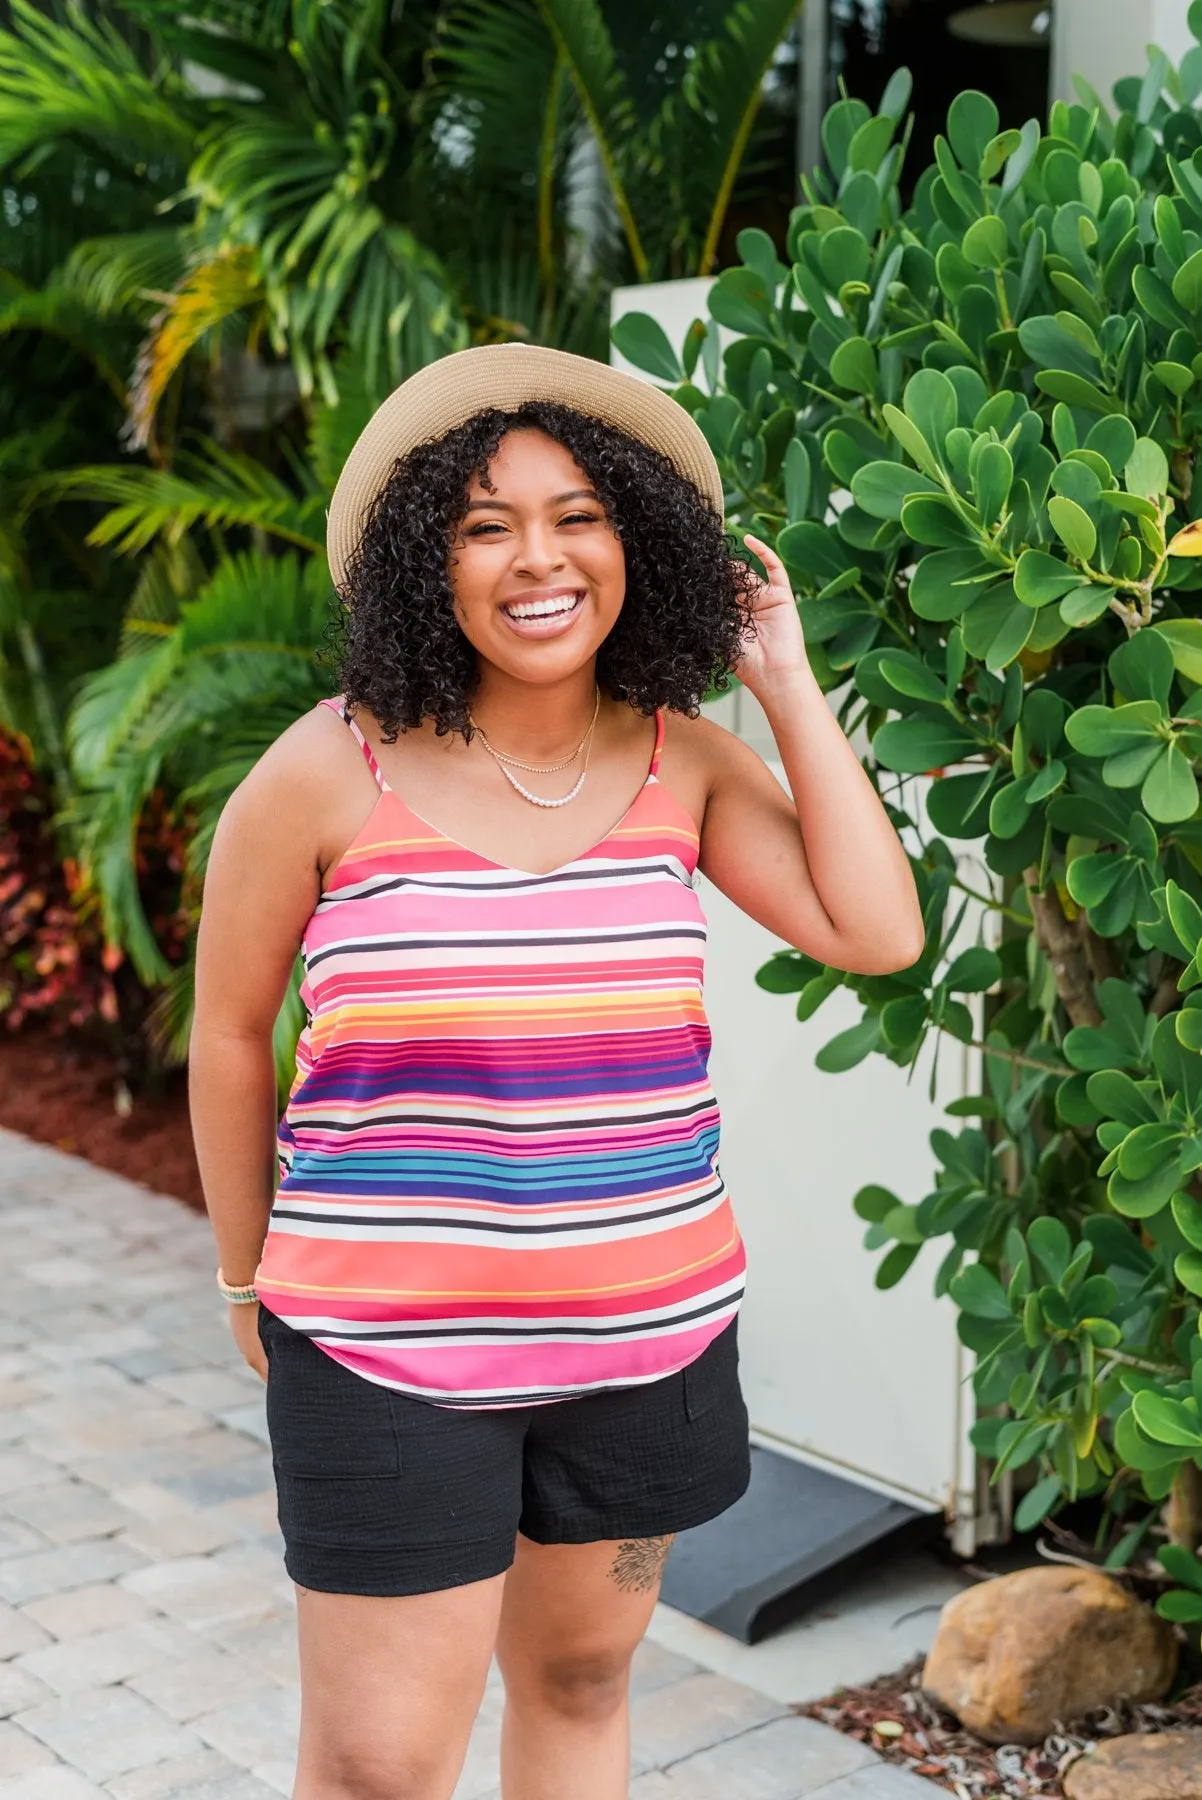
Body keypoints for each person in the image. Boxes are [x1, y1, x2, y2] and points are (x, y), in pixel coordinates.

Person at [189, 342, 924, 1800]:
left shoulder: (684, 765)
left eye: (579, 512)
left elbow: (876, 931)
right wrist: (241, 1274)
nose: (540, 557)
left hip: (642, 1355)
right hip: (388, 1361)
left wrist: (778, 680)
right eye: (483, 524)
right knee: (382, 1762)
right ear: (423, 563)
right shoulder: (327, 770)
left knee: (581, 1683)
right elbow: (227, 1032)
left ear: (636, 540)